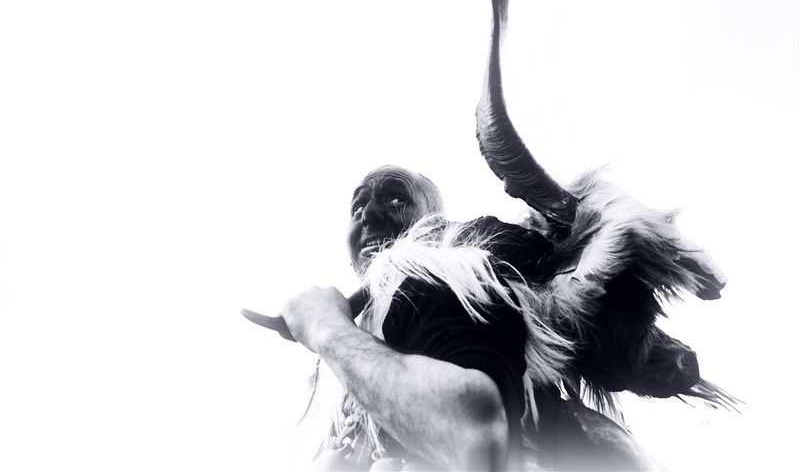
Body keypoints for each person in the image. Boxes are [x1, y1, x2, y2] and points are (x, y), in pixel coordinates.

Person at [280, 165, 657, 471]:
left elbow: (470, 434)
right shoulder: (335, 367)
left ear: (433, 222)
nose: (369, 215)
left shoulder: (448, 273)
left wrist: (325, 328)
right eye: (357, 207)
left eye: (396, 200)